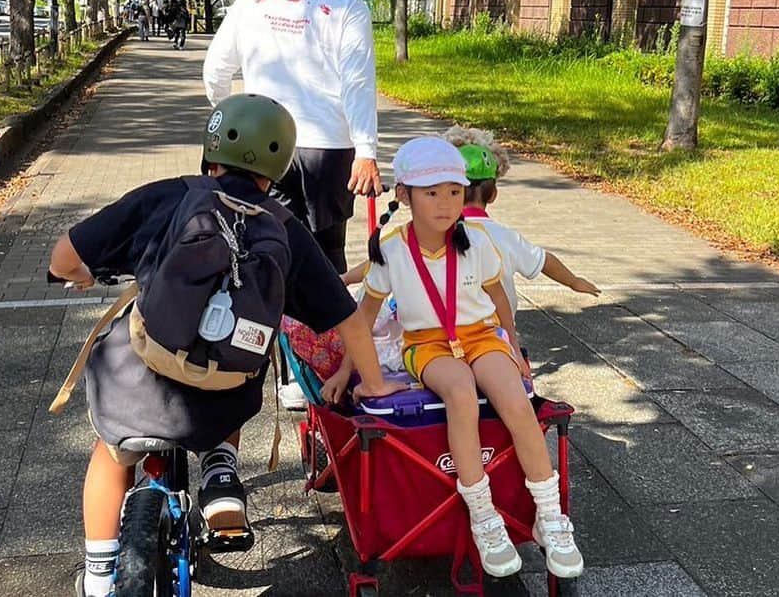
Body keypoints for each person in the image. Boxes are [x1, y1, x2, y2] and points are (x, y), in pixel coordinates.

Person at [48, 94, 404, 597]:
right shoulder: (285, 230)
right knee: (241, 354)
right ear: (278, 168)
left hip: (140, 390)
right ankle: (220, 465)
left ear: (209, 151)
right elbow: (348, 319)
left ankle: (100, 573)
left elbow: (64, 256)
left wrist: (80, 274)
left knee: (111, 452)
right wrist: (373, 381)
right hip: (223, 400)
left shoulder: (168, 197)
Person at [342, 136, 585, 580]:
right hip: (427, 345)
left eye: (454, 191)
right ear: (405, 196)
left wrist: (513, 349)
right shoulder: (392, 248)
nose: (445, 203)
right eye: (431, 193)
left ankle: (549, 515)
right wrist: (351, 370)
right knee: (459, 392)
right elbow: (364, 316)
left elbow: (499, 301)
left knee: (515, 397)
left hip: (479, 335)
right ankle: (483, 514)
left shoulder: (477, 240)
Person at [203, 0, 383, 273]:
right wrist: (366, 152)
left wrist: (230, 120)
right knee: (326, 254)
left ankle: (268, 324)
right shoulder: (348, 7)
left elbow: (216, 70)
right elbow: (358, 82)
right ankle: (325, 328)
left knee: (265, 244)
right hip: (329, 150)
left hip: (261, 144)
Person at [444, 126, 600, 315]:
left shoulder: (435, 235)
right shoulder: (506, 237)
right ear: (493, 195)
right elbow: (543, 260)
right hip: (498, 332)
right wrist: (574, 281)